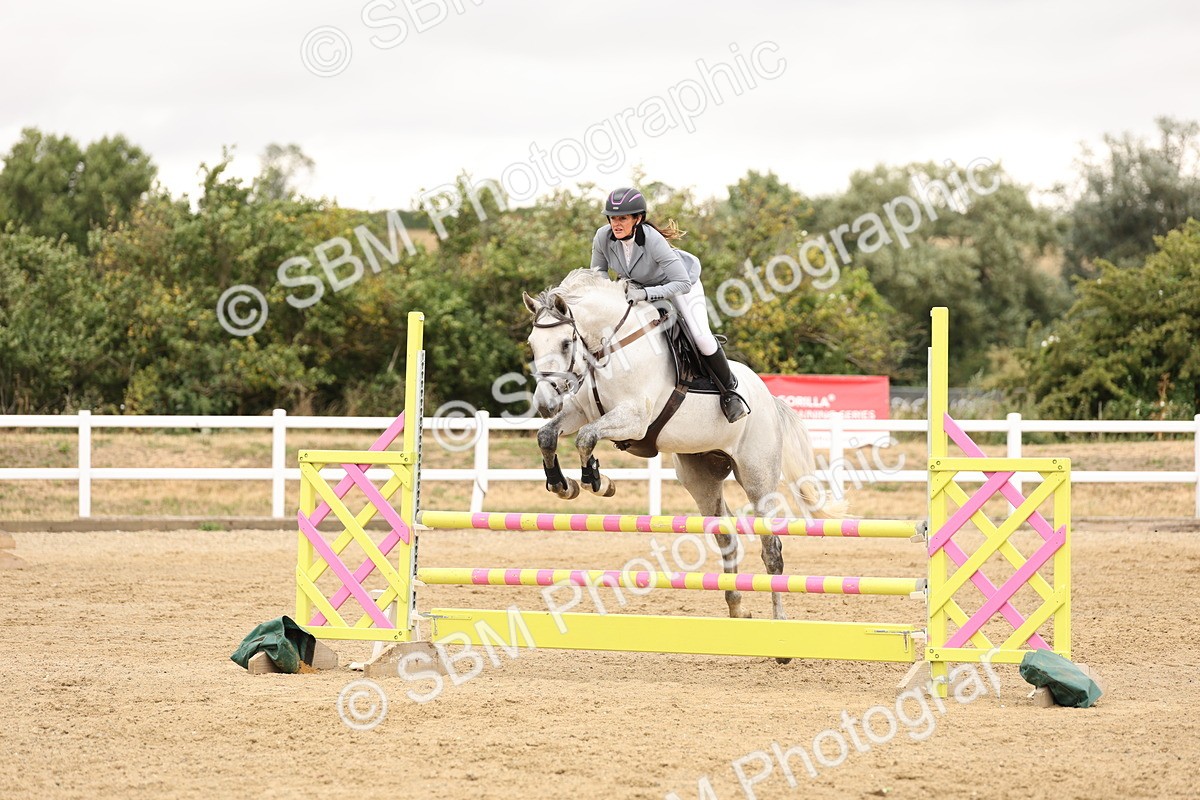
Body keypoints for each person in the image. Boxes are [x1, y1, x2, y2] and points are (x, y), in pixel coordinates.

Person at [589, 187, 750, 422]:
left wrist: (645, 294)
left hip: (680, 285)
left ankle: (730, 392)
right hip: (639, 288)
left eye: (622, 218)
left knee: (702, 338)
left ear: (638, 219)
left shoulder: (652, 240)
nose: (616, 223)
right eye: (612, 218)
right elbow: (598, 275)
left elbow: (681, 283)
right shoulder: (602, 237)